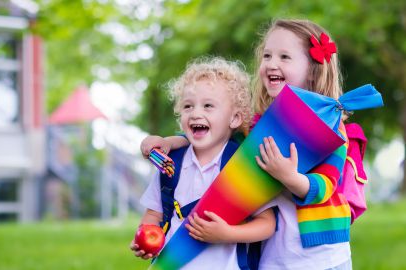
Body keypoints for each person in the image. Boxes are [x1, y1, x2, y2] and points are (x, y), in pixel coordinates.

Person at [141, 19, 354, 270]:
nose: (271, 64)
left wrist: (289, 177)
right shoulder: (257, 124)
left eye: (284, 57)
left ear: (313, 69)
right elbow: (216, 133)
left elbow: (325, 186)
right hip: (273, 253)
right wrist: (169, 141)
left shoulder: (331, 126)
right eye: (267, 55)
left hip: (319, 256)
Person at [131, 57, 276, 269]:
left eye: (208, 106)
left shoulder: (243, 166)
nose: (196, 113)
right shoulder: (171, 165)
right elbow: (154, 213)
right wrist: (145, 238)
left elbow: (267, 224)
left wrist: (227, 234)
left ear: (234, 118)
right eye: (188, 106)